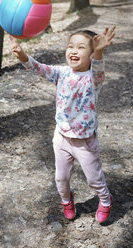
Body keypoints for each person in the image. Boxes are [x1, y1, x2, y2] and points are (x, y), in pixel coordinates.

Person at [9, 26, 116, 224]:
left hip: (85, 141)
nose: (73, 51)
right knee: (61, 178)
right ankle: (67, 200)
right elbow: (39, 68)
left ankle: (105, 199)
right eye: (70, 46)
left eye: (81, 47)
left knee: (94, 179)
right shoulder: (61, 73)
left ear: (91, 54)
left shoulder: (94, 79)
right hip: (62, 137)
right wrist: (22, 54)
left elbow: (99, 68)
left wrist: (99, 51)